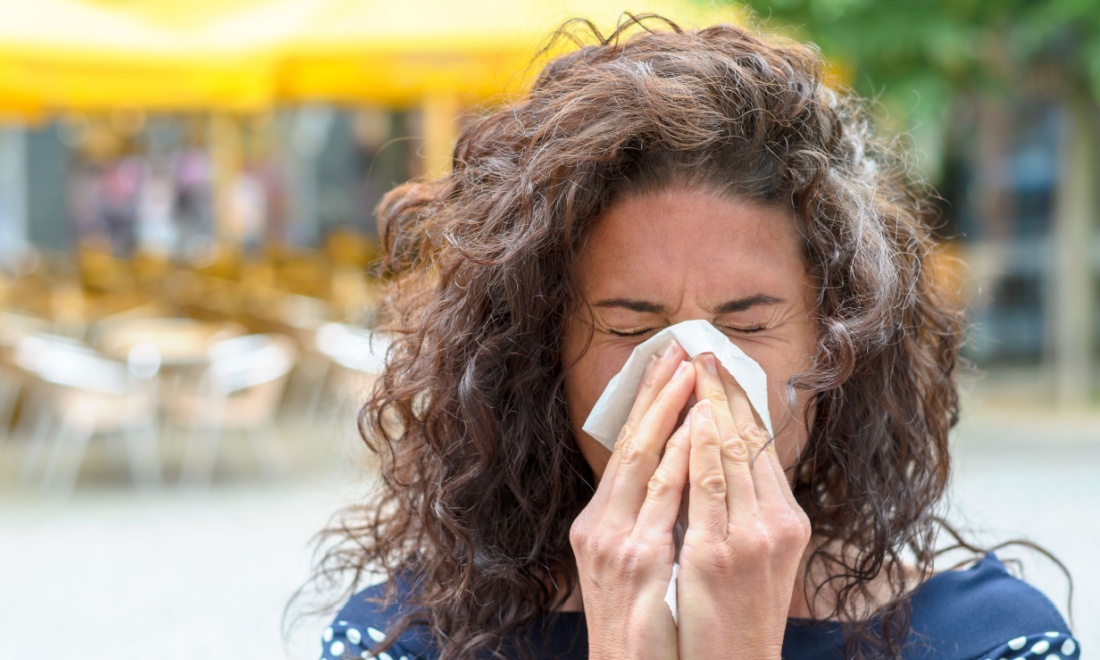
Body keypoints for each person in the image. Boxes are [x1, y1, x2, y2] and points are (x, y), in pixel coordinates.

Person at [309, 16, 1080, 660]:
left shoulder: (990, 640)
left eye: (747, 322)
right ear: (538, 356)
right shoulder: (400, 637)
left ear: (836, 344)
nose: (690, 368)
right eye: (629, 324)